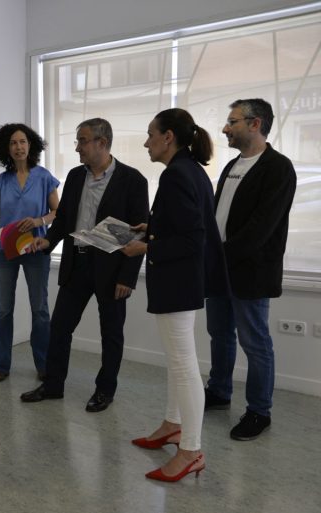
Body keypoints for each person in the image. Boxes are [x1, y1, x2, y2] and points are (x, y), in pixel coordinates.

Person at [122, 108, 228, 482]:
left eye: (151, 134)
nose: (146, 141)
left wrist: (146, 247)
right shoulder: (189, 170)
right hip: (184, 281)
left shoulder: (177, 175)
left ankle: (192, 450)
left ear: (168, 137)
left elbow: (193, 238)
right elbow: (185, 225)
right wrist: (152, 228)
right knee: (177, 359)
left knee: (184, 364)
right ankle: (172, 424)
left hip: (179, 282)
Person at [19, 118, 148, 412]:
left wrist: (128, 277)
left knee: (111, 334)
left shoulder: (133, 180)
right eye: (78, 141)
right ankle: (53, 385)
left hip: (112, 269)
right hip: (76, 263)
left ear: (102, 143)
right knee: (60, 328)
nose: (77, 147)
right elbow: (63, 218)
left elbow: (139, 231)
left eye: (82, 141)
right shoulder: (76, 176)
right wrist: (48, 242)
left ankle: (105, 390)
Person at [204, 99, 297, 441]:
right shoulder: (231, 166)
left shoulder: (278, 168)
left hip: (251, 272)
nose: (226, 128)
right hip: (220, 269)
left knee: (255, 343)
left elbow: (262, 228)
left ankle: (259, 411)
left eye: (233, 122)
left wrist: (219, 255)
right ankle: (219, 392)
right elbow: (218, 217)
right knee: (220, 334)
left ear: (255, 124)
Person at [0, 123, 60, 382]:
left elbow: (59, 213)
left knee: (40, 310)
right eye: (13, 143)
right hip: (5, 250)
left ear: (30, 145)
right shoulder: (1, 181)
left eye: (22, 141)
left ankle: (44, 365)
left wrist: (38, 222)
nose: (18, 147)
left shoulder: (44, 177)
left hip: (36, 248)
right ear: (6, 149)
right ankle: (0, 365)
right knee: (4, 310)